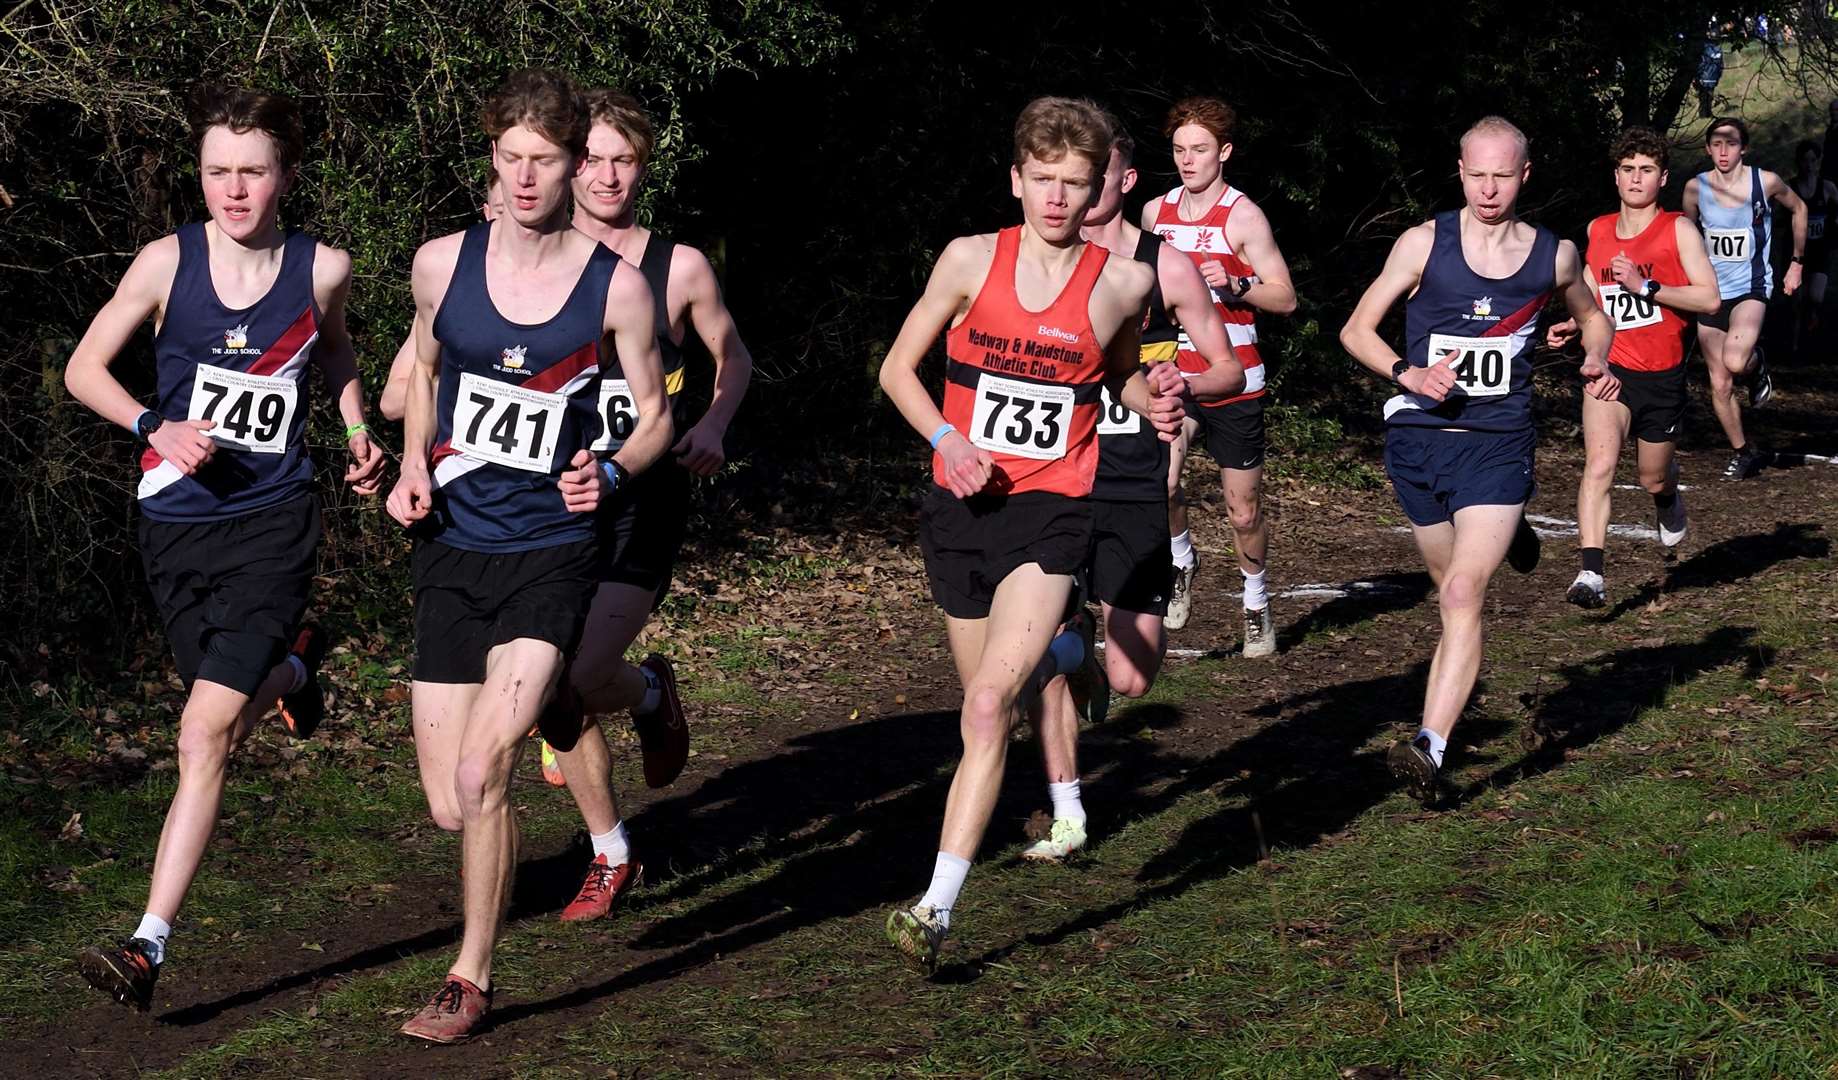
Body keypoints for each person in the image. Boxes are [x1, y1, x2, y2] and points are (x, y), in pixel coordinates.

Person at [64, 83, 384, 1010]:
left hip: (274, 525)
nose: (233, 191)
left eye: (251, 172)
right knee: (225, 715)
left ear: (283, 175)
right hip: (174, 525)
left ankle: (145, 944)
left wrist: (358, 430)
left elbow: (333, 353)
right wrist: (152, 425)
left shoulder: (322, 269)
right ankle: (296, 673)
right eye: (216, 173)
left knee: (202, 733)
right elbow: (86, 369)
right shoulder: (166, 264)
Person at [385, 68, 669, 1044]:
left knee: (482, 773)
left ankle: (470, 978)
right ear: (491, 159)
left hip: (551, 552)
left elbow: (656, 416)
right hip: (451, 552)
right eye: (508, 157)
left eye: (543, 159)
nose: (524, 177)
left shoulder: (615, 289)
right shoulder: (439, 266)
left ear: (569, 162)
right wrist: (414, 464)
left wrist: (614, 472)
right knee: (447, 805)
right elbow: (422, 370)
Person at [877, 97, 1184, 967]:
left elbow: (1119, 381)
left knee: (983, 709)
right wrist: (947, 439)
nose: (1057, 198)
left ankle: (934, 909)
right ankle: (1069, 656)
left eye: (1074, 184)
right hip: (960, 506)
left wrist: (1150, 398)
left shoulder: (1123, 281)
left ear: (1098, 191)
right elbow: (899, 369)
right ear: (1017, 179)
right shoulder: (970, 260)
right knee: (994, 697)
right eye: (1042, 179)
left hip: (1053, 512)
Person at [1339, 116, 1613, 806]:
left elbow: (1595, 315)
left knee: (1464, 593)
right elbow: (1355, 330)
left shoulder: (1554, 255)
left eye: (1503, 174)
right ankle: (1507, 531)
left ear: (1525, 175)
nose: (1489, 188)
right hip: (1420, 441)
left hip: (1497, 442)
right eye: (1477, 173)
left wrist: (1595, 352)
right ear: (1459, 171)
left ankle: (1430, 746)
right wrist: (1408, 372)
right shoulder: (1423, 243)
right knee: (1447, 595)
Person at [538, 87, 757, 922]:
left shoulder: (679, 267)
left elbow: (731, 356)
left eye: (620, 160)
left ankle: (648, 693)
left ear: (643, 168)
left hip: (645, 495)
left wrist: (713, 421)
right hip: (549, 495)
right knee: (549, 685)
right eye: (589, 158)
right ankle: (610, 853)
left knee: (578, 675)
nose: (603, 176)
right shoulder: (536, 257)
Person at [1024, 120, 1244, 863]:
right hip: (1050, 482)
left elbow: (1227, 368)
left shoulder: (1164, 267)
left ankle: (1083, 647)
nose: (1073, 193)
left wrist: (1183, 380)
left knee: (1130, 676)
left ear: (1120, 182)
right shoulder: (1034, 264)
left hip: (1131, 484)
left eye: (1091, 175)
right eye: (1062, 176)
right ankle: (1066, 808)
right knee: (1035, 648)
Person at [1139, 96, 1297, 655]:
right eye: (1180, 149)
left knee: (1243, 509)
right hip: (1172, 376)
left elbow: (1286, 297)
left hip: (1235, 379)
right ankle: (1181, 559)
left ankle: (1256, 602)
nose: (1188, 160)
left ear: (1223, 153)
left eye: (1200, 149)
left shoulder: (1243, 216)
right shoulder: (1154, 213)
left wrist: (1238, 285)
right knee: (1160, 480)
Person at [1545, 128, 1720, 608]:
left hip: (1661, 377)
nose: (1635, 178)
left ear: (1661, 178)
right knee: (1598, 465)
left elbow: (1709, 298)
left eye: (1645, 170)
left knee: (1652, 478)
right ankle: (1591, 574)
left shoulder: (1677, 229)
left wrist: (1647, 287)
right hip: (1610, 370)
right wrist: (1573, 324)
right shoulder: (1598, 230)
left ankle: (1666, 497)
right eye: (1627, 169)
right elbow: (1592, 295)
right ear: (1616, 176)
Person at [1683, 117, 1807, 480]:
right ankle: (1744, 451)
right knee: (1719, 384)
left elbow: (1799, 208)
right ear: (1708, 149)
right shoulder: (1695, 188)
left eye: (1731, 143)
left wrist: (1796, 263)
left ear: (1744, 148)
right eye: (1717, 144)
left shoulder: (1763, 181)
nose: (1724, 151)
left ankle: (1757, 365)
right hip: (1710, 294)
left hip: (1751, 288)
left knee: (1736, 361)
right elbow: (1686, 236)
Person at [379, 176, 505, 423]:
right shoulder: (450, 289)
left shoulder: (575, 289)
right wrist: (472, 396)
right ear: (487, 213)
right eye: (502, 212)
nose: (513, 223)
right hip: (455, 457)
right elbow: (392, 402)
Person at [1789, 140, 1834, 357]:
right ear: (1798, 161)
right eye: (1804, 160)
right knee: (1796, 303)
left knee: (1815, 298)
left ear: (1818, 162)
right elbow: (1778, 216)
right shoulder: (1790, 188)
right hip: (1796, 252)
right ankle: (1795, 347)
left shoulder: (1827, 188)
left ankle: (1815, 340)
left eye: (1812, 160)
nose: (1808, 165)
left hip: (1820, 251)